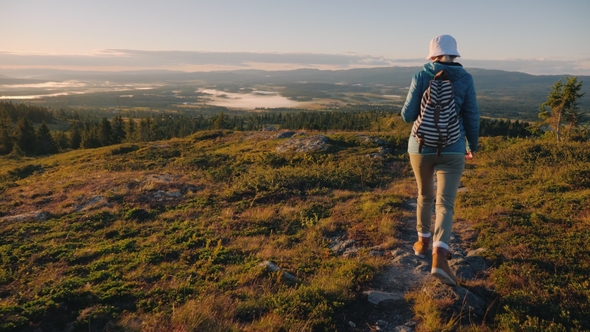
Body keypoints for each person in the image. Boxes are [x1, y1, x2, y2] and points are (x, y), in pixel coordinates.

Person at [401, 34, 479, 286]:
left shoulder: (421, 76)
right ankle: (440, 257)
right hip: (453, 148)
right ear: (454, 54)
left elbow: (407, 116)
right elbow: (471, 117)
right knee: (446, 202)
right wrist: (471, 146)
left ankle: (422, 242)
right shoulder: (465, 79)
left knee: (424, 195)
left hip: (420, 147)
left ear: (432, 54)